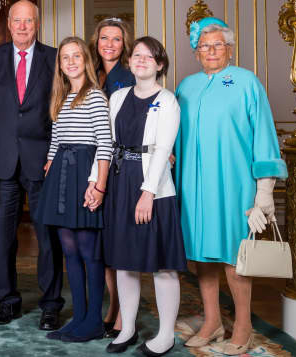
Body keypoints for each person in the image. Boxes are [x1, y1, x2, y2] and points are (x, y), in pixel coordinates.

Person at [175, 17, 287, 355]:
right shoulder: (185, 87)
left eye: (217, 45)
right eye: (204, 46)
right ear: (196, 53)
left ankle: (243, 325)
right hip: (194, 187)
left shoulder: (246, 82)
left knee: (235, 257)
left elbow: (264, 135)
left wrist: (264, 191)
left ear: (230, 49)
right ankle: (212, 321)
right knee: (202, 256)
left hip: (234, 186)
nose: (210, 50)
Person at [0, 0, 64, 330]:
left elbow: (63, 110)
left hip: (43, 162)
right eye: (17, 21)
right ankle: (7, 301)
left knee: (48, 238)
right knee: (2, 238)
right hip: (3, 163)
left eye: (29, 21)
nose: (23, 26)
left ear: (36, 24)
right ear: (8, 23)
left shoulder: (53, 58)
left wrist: (56, 155)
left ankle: (51, 305)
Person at [96, 36, 186, 356]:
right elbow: (105, 144)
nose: (141, 60)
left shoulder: (168, 100)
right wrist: (97, 183)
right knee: (124, 263)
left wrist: (147, 193)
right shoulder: (118, 97)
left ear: (160, 65)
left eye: (149, 57)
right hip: (121, 182)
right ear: (130, 61)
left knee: (162, 265)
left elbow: (163, 150)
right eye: (136, 55)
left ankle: (165, 335)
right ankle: (128, 328)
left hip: (153, 188)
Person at [36, 37, 111, 342]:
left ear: (86, 61)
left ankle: (93, 320)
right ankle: (78, 317)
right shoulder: (62, 97)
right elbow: (56, 139)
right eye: (65, 57)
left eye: (76, 56)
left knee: (89, 251)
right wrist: (50, 163)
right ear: (60, 66)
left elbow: (105, 144)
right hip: (62, 175)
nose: (70, 61)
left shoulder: (95, 97)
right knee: (69, 250)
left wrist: (100, 185)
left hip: (85, 172)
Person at [88, 17, 135, 338]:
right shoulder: (89, 70)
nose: (109, 44)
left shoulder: (130, 74)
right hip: (89, 161)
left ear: (124, 43)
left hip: (119, 165)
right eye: (105, 38)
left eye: (116, 39)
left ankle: (120, 311)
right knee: (100, 243)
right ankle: (111, 305)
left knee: (119, 241)